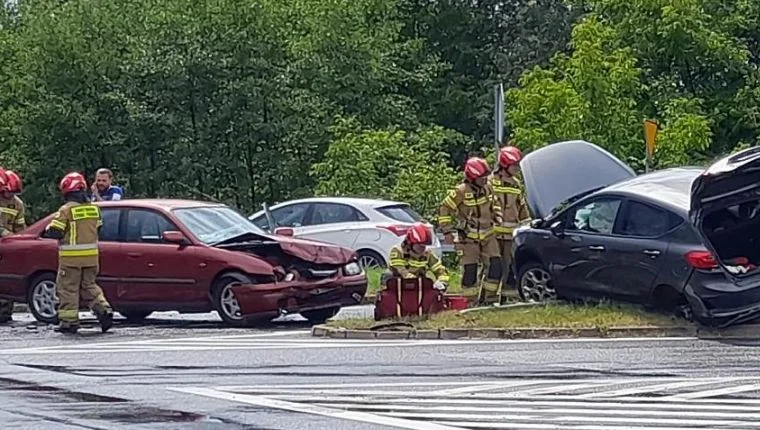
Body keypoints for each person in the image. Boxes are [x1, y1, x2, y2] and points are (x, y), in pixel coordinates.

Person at [44, 172, 114, 334]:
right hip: (91, 257)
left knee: (67, 288)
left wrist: (48, 230)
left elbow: (56, 231)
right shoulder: (93, 209)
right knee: (89, 286)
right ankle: (104, 309)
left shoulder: (66, 210)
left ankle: (69, 322)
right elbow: (99, 228)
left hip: (70, 259)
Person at [438, 157, 503, 305]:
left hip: (488, 236)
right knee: (470, 271)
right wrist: (447, 231)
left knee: (495, 266)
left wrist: (498, 215)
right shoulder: (460, 191)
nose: (484, 179)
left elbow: (495, 203)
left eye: (486, 176)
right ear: (472, 178)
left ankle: (489, 299)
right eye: (481, 177)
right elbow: (444, 209)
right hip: (468, 239)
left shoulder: (488, 188)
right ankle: (470, 302)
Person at [489, 146, 530, 303]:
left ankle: (508, 299)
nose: (517, 169)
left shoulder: (516, 184)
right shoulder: (490, 183)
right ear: (505, 165)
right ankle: (487, 299)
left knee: (510, 267)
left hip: (510, 234)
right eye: (514, 165)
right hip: (492, 235)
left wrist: (527, 224)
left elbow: (522, 207)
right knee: (492, 267)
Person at [381, 222, 449, 289]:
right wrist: (411, 279)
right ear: (410, 243)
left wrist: (442, 282)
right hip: (398, 282)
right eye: (419, 245)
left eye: (424, 245)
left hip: (418, 284)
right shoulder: (398, 251)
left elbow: (439, 269)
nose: (422, 248)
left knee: (428, 282)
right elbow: (401, 270)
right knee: (388, 275)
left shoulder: (427, 253)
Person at [0, 169, 25, 323]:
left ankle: (4, 313)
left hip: (7, 246)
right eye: (9, 192)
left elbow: (20, 226)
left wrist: (21, 241)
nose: (11, 195)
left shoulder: (17, 204)